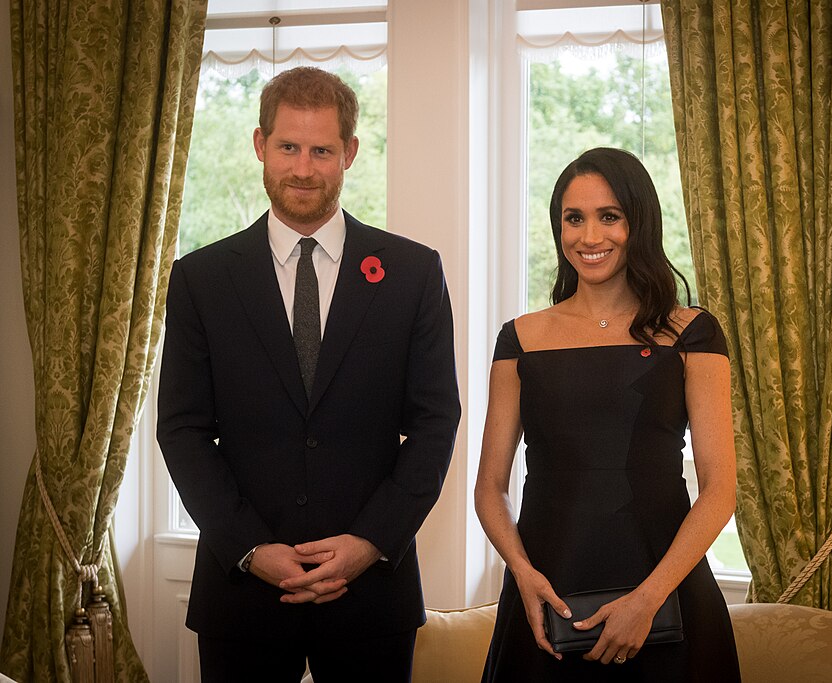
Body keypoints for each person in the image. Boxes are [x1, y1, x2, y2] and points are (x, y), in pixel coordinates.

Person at [157, 67, 461, 682]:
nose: (302, 168)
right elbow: (183, 429)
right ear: (259, 145)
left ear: (349, 152)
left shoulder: (411, 272)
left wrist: (371, 543)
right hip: (240, 597)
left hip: (371, 595)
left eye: (321, 150)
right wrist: (249, 548)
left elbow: (436, 421)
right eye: (288, 147)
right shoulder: (201, 279)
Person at [475, 147, 741, 681]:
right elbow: (490, 487)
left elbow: (720, 489)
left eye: (609, 217)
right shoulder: (521, 337)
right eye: (574, 218)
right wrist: (522, 572)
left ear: (637, 222)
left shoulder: (691, 331)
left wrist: (647, 599)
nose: (589, 237)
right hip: (545, 595)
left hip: (665, 593)